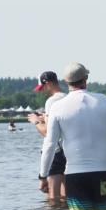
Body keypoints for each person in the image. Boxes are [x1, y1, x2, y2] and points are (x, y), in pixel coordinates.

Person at [39, 62, 106, 210]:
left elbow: (50, 144)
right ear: (86, 78)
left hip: (75, 176)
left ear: (66, 81)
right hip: (102, 174)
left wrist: (43, 176)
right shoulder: (104, 101)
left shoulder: (58, 107)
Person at [28, 70, 68, 203]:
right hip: (67, 150)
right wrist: (45, 118)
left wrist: (36, 121)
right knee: (65, 195)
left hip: (55, 153)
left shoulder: (51, 101)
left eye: (43, 87)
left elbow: (48, 133)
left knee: (53, 197)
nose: (42, 91)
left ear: (48, 83)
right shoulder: (68, 97)